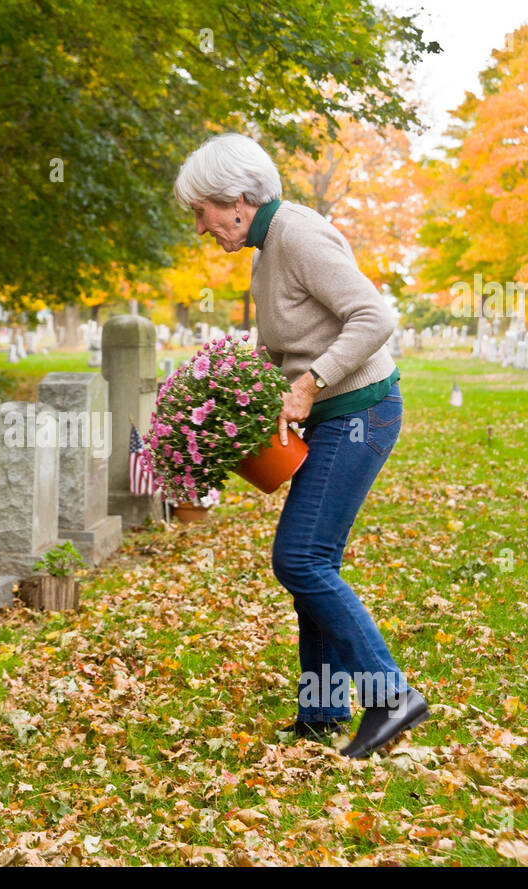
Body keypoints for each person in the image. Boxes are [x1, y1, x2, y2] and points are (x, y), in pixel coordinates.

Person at [173, 132, 429, 759]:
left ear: (235, 199)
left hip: (362, 413)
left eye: (202, 214)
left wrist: (310, 384)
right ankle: (320, 713)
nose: (202, 229)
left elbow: (374, 316)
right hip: (333, 417)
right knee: (314, 561)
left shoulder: (297, 234)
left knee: (300, 560)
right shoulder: (266, 250)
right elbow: (287, 345)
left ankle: (391, 696)